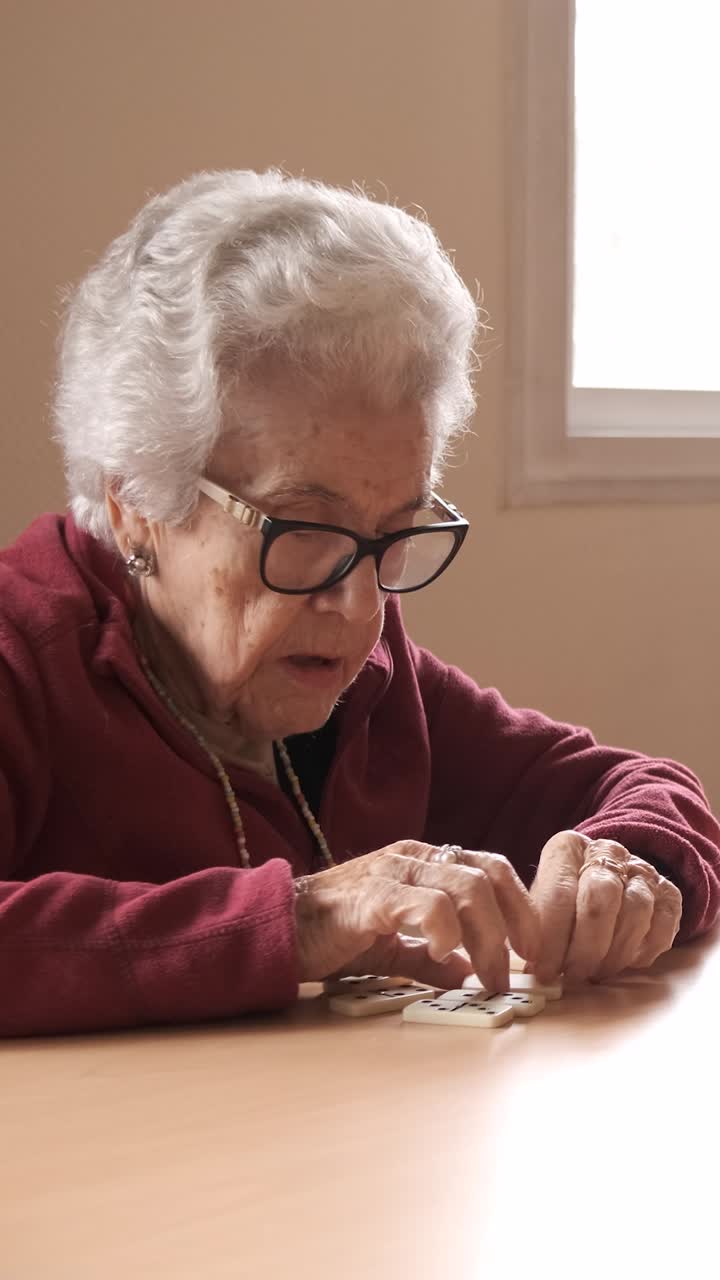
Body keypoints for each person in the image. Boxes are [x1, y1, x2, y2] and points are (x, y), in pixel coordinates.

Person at [1, 169, 716, 1037]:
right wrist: (300, 920)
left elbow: (640, 787)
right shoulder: (25, 654)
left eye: (392, 532)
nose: (357, 602)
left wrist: (624, 865)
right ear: (138, 502)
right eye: (303, 528)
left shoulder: (367, 677)